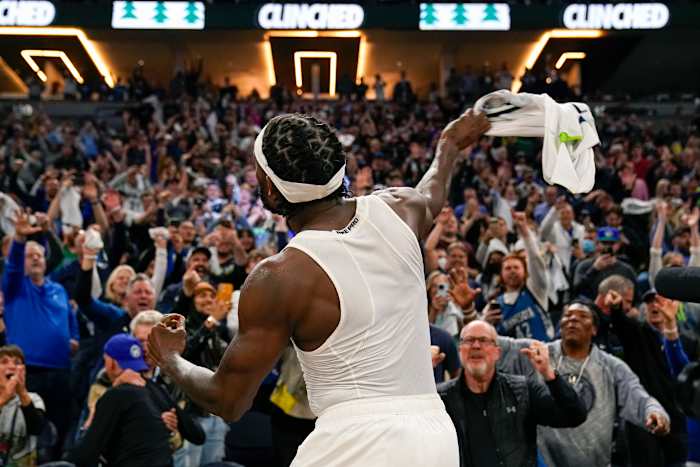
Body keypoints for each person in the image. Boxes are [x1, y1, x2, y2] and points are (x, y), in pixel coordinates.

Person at [148, 110, 491, 466]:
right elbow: (432, 189)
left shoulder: (280, 276)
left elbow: (227, 400)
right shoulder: (401, 208)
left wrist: (170, 359)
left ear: (269, 187)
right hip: (435, 436)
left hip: (357, 444)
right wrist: (449, 144)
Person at [497, 300, 671, 467]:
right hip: (543, 462)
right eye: (568, 315)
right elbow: (489, 342)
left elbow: (638, 397)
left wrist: (654, 413)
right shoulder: (537, 353)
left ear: (594, 329)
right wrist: (469, 312)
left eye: (582, 316)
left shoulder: (611, 366)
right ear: (561, 324)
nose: (573, 319)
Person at [438, 321, 587, 467]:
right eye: (469, 340)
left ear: (497, 352)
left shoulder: (523, 391)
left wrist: (548, 373)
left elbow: (575, 416)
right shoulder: (442, 398)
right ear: (459, 351)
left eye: (484, 341)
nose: (476, 346)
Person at [2, 212, 78, 456]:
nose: (35, 259)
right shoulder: (14, 287)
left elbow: (69, 317)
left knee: (58, 426)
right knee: (25, 427)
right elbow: (12, 268)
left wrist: (74, 336)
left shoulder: (58, 289)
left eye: (39, 255)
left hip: (61, 370)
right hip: (26, 371)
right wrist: (20, 240)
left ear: (46, 261)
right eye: (29, 256)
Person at [603, 285, 691, 466]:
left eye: (660, 300)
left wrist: (671, 328)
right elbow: (622, 325)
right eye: (649, 301)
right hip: (644, 421)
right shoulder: (639, 333)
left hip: (678, 421)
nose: (654, 305)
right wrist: (617, 308)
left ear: (675, 304)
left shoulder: (689, 339)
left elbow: (685, 371)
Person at [67, 334, 174, 467]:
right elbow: (197, 436)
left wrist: (91, 419)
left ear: (110, 363)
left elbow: (82, 457)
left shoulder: (114, 395)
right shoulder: (156, 390)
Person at [0, 345, 46, 467]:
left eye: (17, 363)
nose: (11, 366)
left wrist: (22, 393)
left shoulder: (34, 399)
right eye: (4, 362)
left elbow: (37, 428)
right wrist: (3, 399)